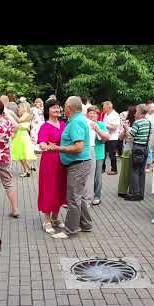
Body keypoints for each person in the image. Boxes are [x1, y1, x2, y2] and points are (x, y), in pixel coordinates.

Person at [50, 96, 92, 239]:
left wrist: (57, 148)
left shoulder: (76, 122)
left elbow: (78, 147)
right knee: (78, 196)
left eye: (64, 106)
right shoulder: (77, 120)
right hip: (80, 163)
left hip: (78, 164)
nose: (62, 109)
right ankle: (86, 224)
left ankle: (70, 230)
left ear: (69, 108)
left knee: (73, 198)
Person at [37, 98, 67, 233]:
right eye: (53, 108)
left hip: (63, 160)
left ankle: (55, 217)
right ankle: (46, 219)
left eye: (58, 107)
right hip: (49, 162)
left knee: (60, 188)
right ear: (47, 110)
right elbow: (42, 144)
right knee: (49, 189)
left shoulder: (63, 124)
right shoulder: (45, 126)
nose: (57, 110)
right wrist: (47, 146)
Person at [124, 104, 151, 201]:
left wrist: (126, 127)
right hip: (145, 148)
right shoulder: (149, 122)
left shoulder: (137, 123)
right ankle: (141, 192)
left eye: (136, 112)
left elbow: (130, 135)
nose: (135, 113)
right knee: (141, 171)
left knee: (134, 170)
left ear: (139, 112)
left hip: (137, 148)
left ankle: (135, 194)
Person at [87, 106, 110, 206]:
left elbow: (105, 139)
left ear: (98, 115)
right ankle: (87, 195)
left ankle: (97, 195)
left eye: (95, 113)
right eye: (90, 113)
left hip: (98, 154)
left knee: (97, 176)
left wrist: (97, 129)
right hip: (86, 153)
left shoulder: (101, 124)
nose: (92, 115)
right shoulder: (85, 124)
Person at [11, 101, 37, 177]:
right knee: (21, 154)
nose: (18, 109)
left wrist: (11, 114)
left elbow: (18, 122)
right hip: (20, 136)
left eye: (19, 108)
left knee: (22, 154)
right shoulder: (26, 115)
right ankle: (28, 168)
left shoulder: (26, 114)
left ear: (23, 108)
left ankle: (27, 170)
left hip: (21, 136)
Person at [118, 106, 136, 198]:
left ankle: (133, 190)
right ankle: (122, 190)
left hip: (136, 150)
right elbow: (120, 138)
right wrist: (125, 129)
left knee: (134, 172)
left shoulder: (139, 123)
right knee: (125, 172)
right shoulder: (127, 123)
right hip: (128, 149)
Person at [102, 101, 121, 175]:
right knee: (103, 153)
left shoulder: (115, 115)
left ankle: (114, 169)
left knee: (111, 154)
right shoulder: (105, 114)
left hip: (113, 137)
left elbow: (114, 127)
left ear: (109, 107)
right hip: (105, 137)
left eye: (104, 107)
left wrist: (105, 125)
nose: (103, 108)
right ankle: (102, 168)